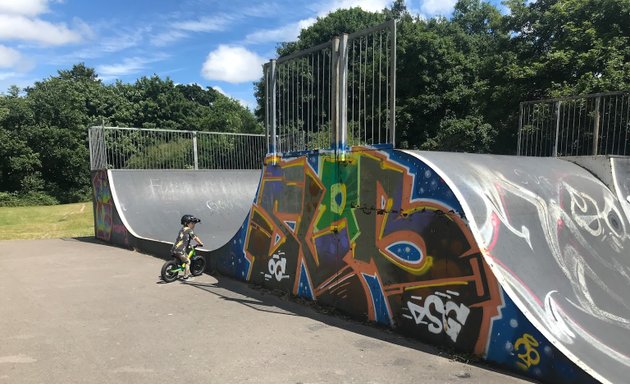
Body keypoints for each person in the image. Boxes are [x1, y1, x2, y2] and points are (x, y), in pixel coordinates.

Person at [171, 214, 204, 280]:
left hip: (174, 249)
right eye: (192, 223)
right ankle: (186, 276)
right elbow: (195, 238)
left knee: (179, 260)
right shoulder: (189, 230)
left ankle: (173, 270)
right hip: (180, 250)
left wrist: (189, 245)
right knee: (187, 262)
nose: (194, 225)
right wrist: (200, 243)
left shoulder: (182, 229)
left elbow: (182, 240)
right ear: (187, 223)